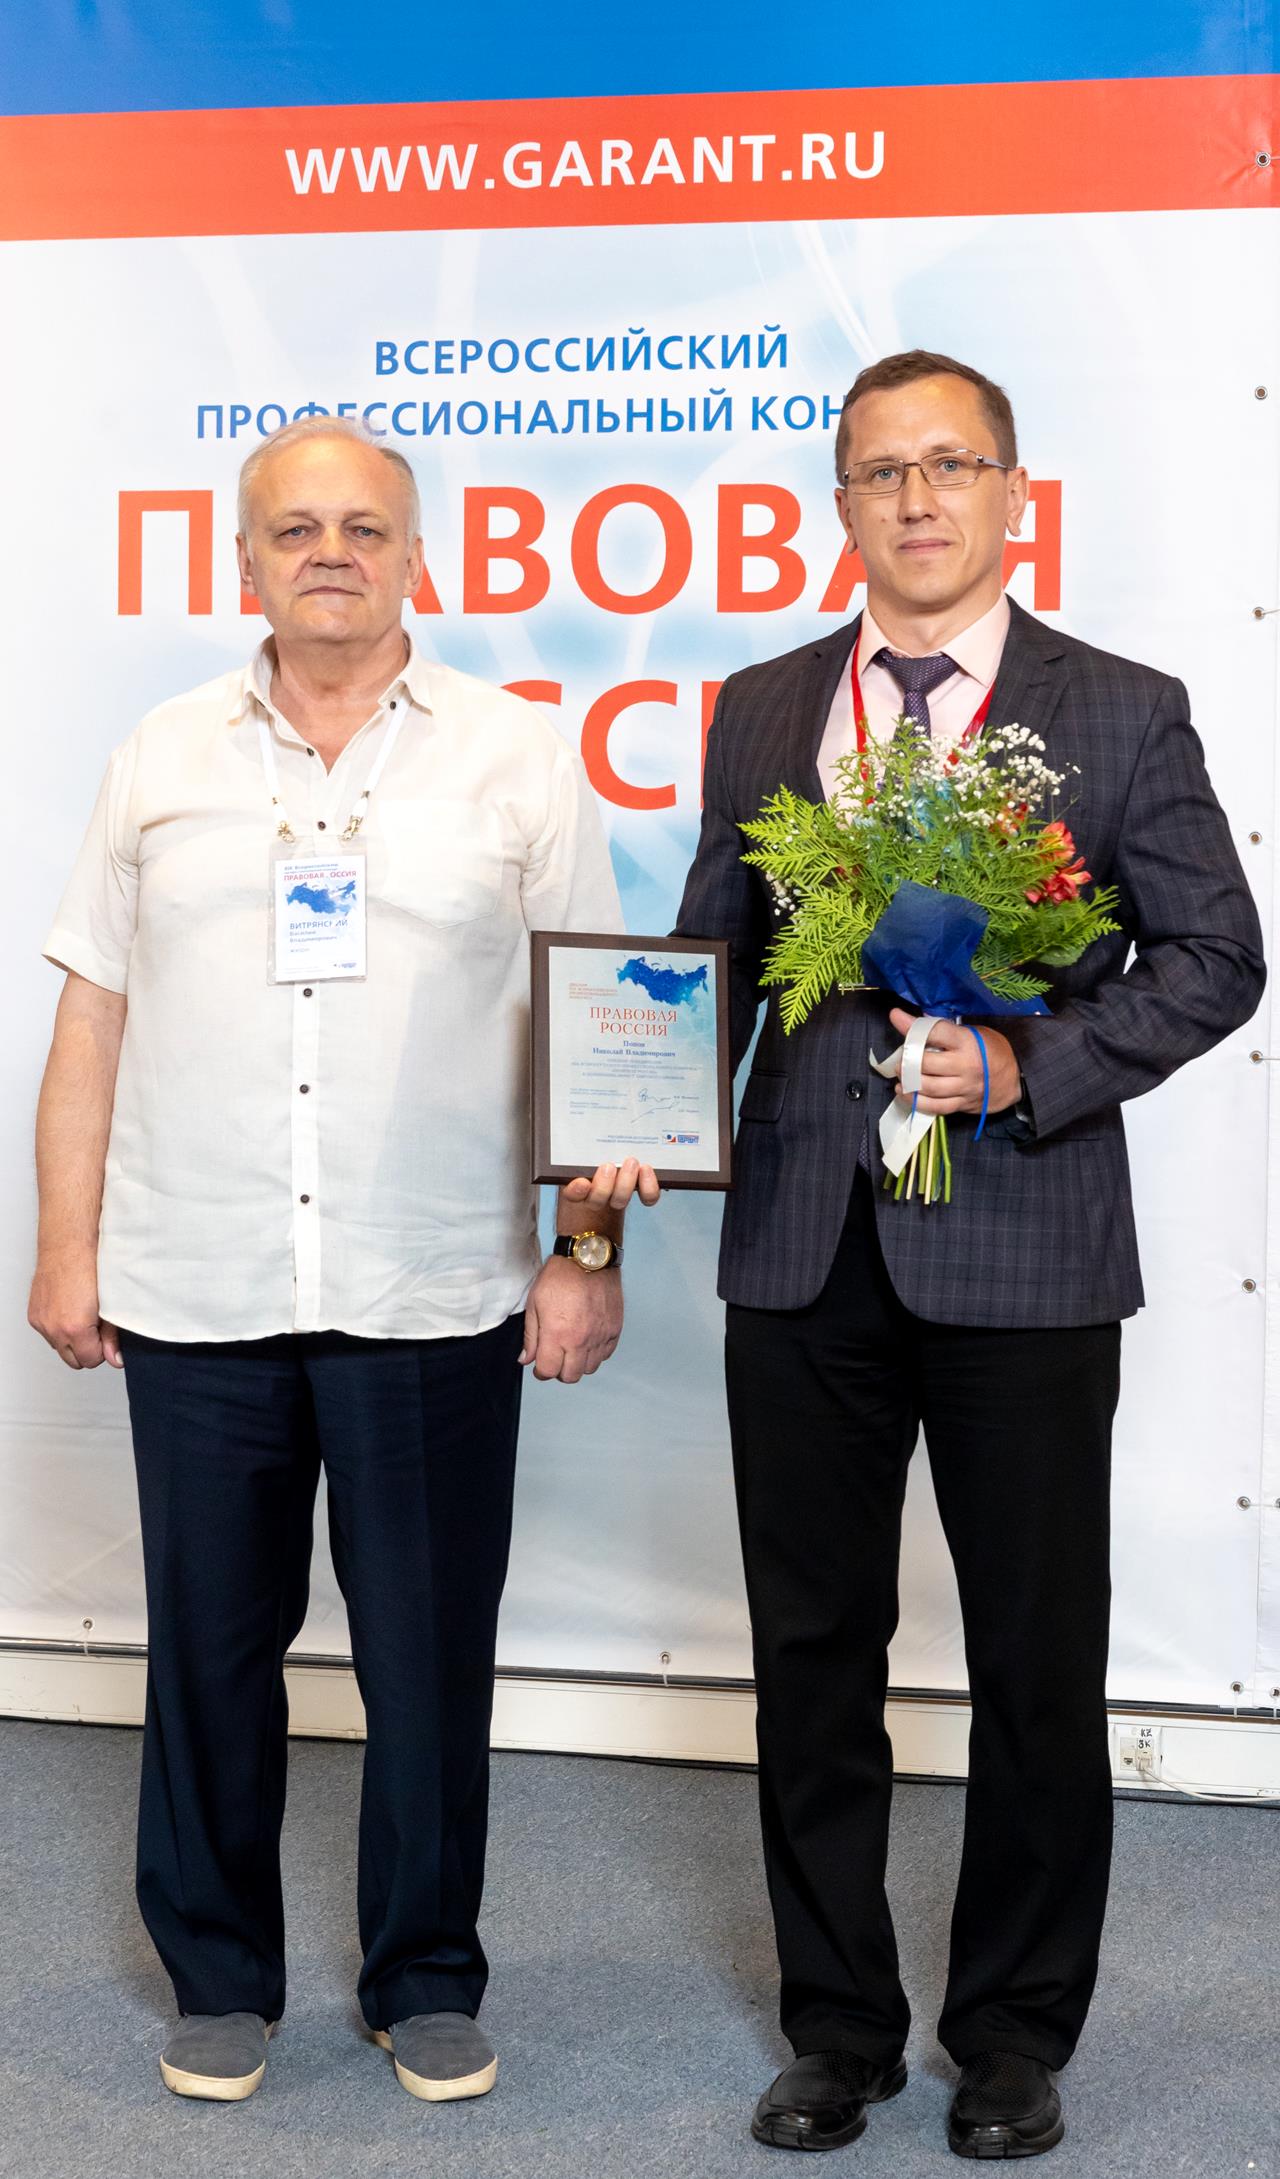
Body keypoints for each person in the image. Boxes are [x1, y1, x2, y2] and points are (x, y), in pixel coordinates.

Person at [675, 349, 1265, 2159]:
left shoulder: (1123, 710)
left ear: (1014, 492)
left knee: (1034, 1654)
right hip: (803, 1247)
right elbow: (708, 967)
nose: (918, 500)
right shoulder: (762, 707)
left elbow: (1215, 958)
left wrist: (1026, 1068)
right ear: (840, 504)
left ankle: (1013, 2032)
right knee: (811, 1651)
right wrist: (622, 1134)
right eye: (882, 472)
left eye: (951, 466)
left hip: (1025, 1247)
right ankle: (837, 2027)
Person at [29, 416, 654, 2106]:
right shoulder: (160, 755)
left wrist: (584, 1250)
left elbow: (607, 1031)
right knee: (208, 1654)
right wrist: (67, 1245)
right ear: (244, 562)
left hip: (435, 1291)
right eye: (295, 528)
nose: (330, 552)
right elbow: (91, 1017)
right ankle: (218, 1977)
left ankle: (426, 1977)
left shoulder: (517, 758)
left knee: (428, 1660)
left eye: (363, 527)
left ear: (416, 558)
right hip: (196, 1283)